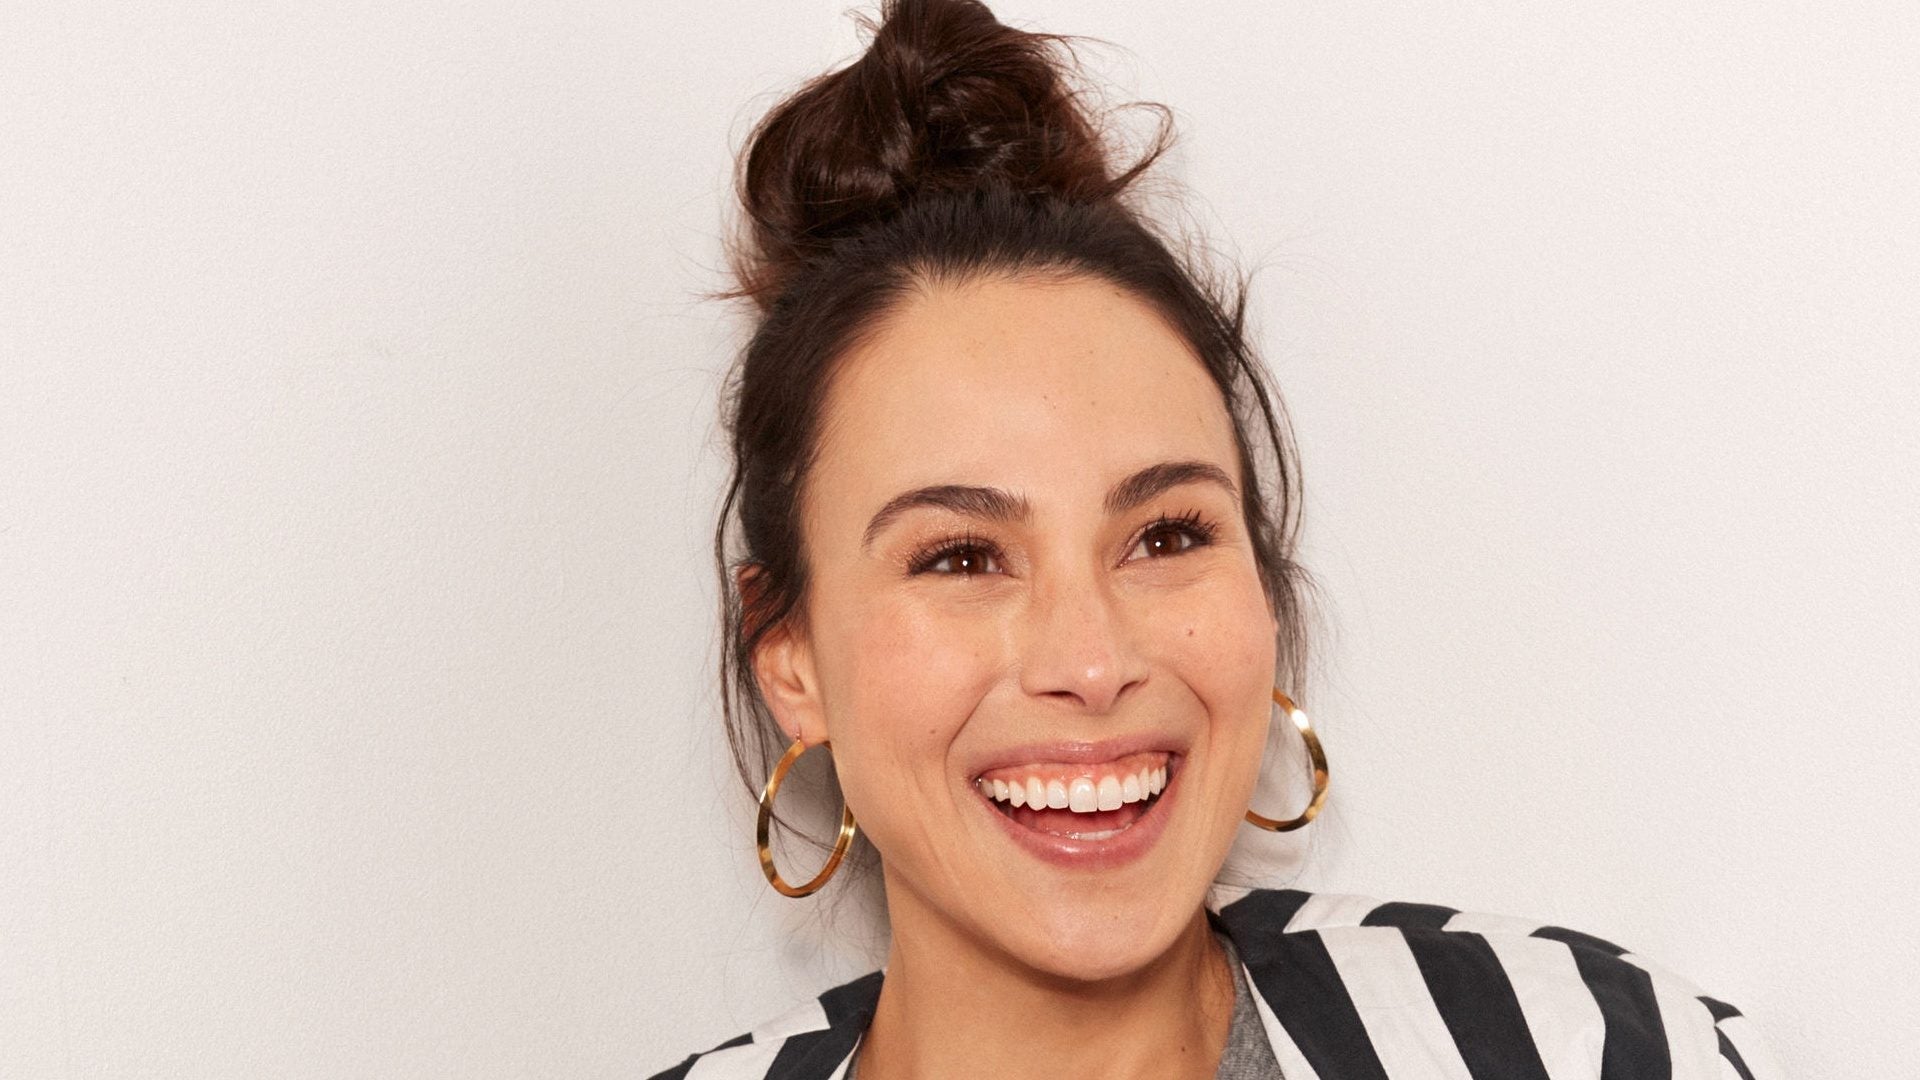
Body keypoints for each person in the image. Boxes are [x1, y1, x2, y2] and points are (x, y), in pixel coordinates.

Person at [654, 2, 1783, 1077]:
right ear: (790, 659)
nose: (1092, 662)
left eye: (1164, 536)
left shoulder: (1589, 1052)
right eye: (961, 557)